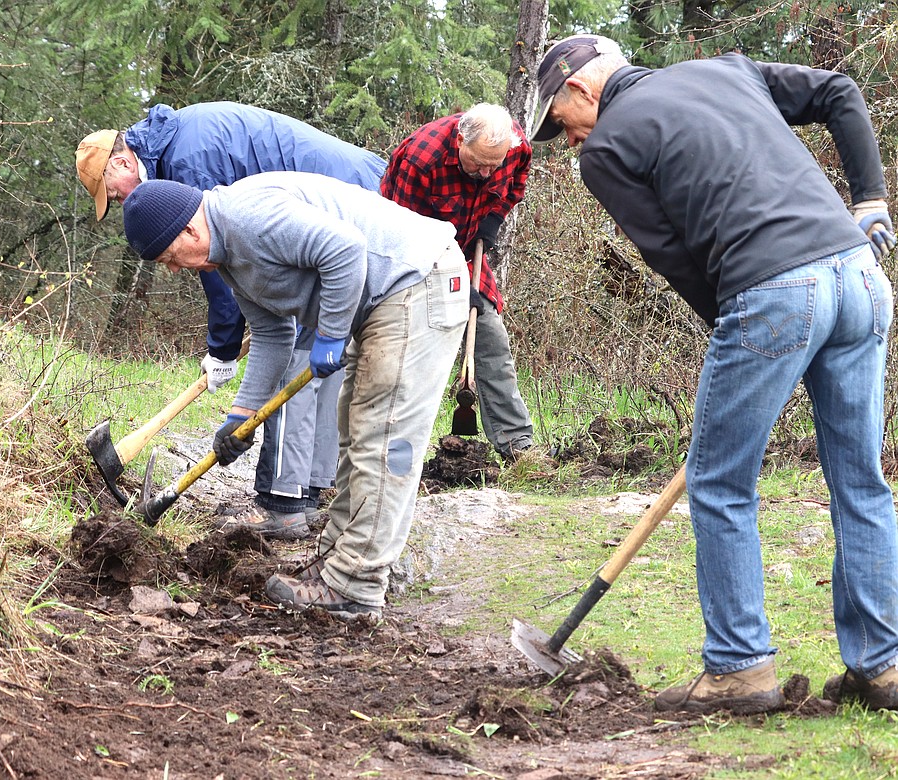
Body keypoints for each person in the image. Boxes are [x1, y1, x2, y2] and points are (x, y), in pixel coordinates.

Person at [533, 34, 898, 713]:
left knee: (720, 479)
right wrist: (870, 198)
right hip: (861, 277)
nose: (575, 141)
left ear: (581, 91)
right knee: (860, 479)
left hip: (772, 293)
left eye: (563, 124)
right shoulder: (728, 69)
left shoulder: (610, 150)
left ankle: (739, 667)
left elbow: (676, 260)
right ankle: (882, 669)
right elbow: (839, 93)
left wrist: (749, 341)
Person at [120, 172, 469, 620]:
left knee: (381, 440)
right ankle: (336, 563)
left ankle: (356, 586)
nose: (173, 269)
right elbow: (270, 334)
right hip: (388, 298)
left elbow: (345, 249)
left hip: (417, 282)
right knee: (355, 431)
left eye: (171, 257)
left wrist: (330, 333)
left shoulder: (249, 217)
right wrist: (240, 414)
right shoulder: (228, 259)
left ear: (189, 230)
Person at [75, 103, 388, 539]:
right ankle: (311, 492)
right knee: (315, 334)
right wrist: (238, 396)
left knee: (302, 345)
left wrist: (221, 349)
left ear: (124, 161)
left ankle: (283, 503)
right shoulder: (177, 141)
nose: (122, 202)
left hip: (350, 208)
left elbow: (219, 257)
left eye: (115, 192)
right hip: (365, 191)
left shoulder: (187, 158)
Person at [382, 102, 536, 461]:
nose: (485, 173)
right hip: (411, 259)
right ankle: (396, 447)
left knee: (492, 339)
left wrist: (494, 218)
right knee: (409, 352)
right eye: (477, 163)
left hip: (469, 253)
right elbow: (398, 234)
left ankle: (518, 447)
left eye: (492, 166)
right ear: (459, 141)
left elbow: (515, 186)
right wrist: (450, 283)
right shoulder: (421, 160)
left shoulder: (516, 149)